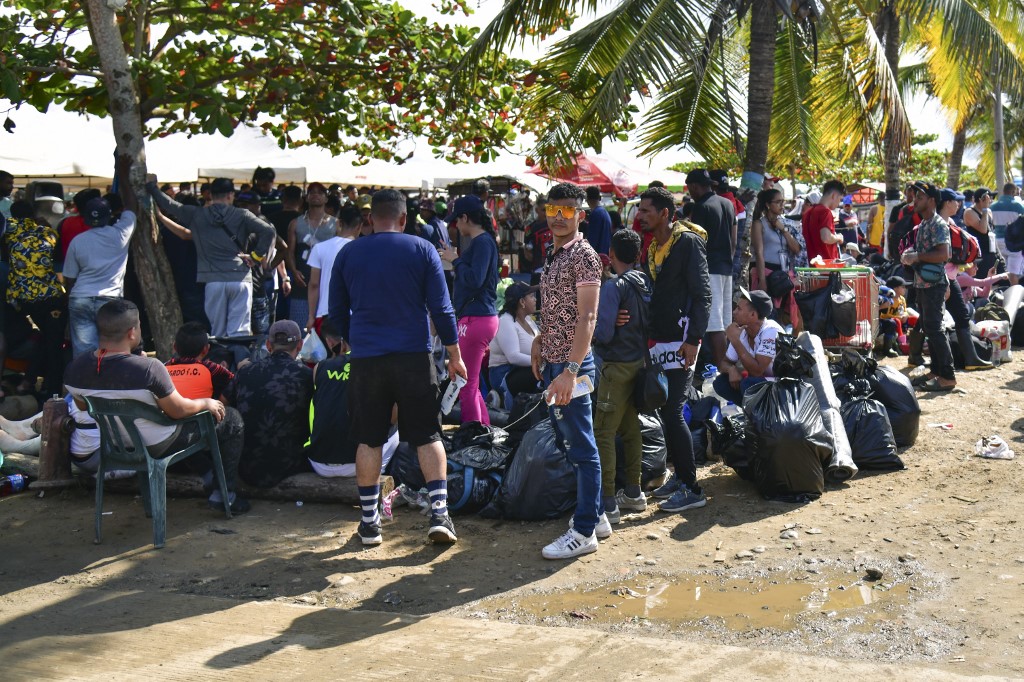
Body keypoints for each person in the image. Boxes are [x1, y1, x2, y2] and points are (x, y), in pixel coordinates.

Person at [330, 188, 467, 546]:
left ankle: (369, 522)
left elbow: (335, 315)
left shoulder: (349, 252)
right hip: (413, 356)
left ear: (371, 220)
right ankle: (440, 514)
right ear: (404, 219)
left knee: (369, 438)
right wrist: (454, 354)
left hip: (367, 359)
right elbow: (442, 308)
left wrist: (356, 339)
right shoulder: (421, 249)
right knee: (427, 434)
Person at [63, 300, 249, 513]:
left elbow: (83, 406)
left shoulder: (75, 369)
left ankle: (209, 476)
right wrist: (205, 403)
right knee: (231, 420)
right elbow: (178, 410)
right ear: (132, 332)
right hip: (159, 443)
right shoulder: (149, 368)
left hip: (114, 445)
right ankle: (225, 495)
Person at [528, 182, 605, 560]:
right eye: (553, 210)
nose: (558, 218)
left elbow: (588, 317)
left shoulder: (584, 256)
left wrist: (571, 370)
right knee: (569, 441)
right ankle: (598, 515)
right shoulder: (555, 252)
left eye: (567, 211)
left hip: (572, 365)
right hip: (556, 361)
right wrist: (541, 338)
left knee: (581, 447)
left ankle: (585, 530)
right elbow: (561, 309)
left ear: (580, 214)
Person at [636, 186, 712, 514]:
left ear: (665, 213)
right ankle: (680, 477)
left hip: (682, 340)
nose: (640, 216)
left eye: (646, 211)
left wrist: (694, 340)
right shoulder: (654, 247)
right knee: (665, 407)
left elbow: (703, 295)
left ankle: (692, 487)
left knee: (673, 409)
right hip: (661, 339)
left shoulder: (688, 244)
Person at [147, 175, 276, 338]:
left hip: (213, 280)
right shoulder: (242, 214)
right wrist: (255, 256)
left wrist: (152, 187)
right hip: (240, 278)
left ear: (210, 194)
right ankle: (239, 362)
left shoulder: (197, 214)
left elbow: (170, 205)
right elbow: (268, 231)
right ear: (230, 195)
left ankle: (219, 362)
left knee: (218, 332)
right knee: (240, 332)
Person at [592, 229, 652, 524]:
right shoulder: (643, 281)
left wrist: (591, 328)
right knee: (630, 430)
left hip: (616, 367)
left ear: (611, 255)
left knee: (603, 432)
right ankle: (633, 491)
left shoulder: (614, 286)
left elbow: (603, 333)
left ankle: (607, 503)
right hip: (639, 363)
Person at [222, 320, 313, 488]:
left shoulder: (245, 371)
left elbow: (221, 405)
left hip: (247, 465)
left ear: (268, 345)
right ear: (299, 345)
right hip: (290, 463)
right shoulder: (306, 375)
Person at [63, 159, 137, 359]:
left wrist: (70, 307)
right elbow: (131, 205)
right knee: (112, 350)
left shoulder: (77, 242)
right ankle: (107, 387)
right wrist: (124, 174)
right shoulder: (121, 234)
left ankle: (85, 387)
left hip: (80, 299)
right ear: (111, 215)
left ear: (86, 218)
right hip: (109, 300)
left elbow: (69, 279)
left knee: (83, 353)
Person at [439, 195, 499, 425]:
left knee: (465, 383)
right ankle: (482, 431)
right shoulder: (483, 242)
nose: (456, 226)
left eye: (457, 220)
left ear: (465, 218)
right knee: (470, 383)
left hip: (477, 318)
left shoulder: (482, 242)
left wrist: (455, 260)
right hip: (478, 317)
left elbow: (474, 279)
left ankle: (472, 437)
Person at [4, 199, 66, 396]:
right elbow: (57, 263)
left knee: (45, 337)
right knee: (53, 342)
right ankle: (51, 390)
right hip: (50, 297)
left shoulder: (8, 232)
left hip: (21, 298)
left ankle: (28, 381)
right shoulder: (48, 232)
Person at [901, 183, 956, 391]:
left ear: (932, 200)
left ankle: (948, 377)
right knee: (929, 327)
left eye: (920, 197)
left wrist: (917, 256)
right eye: (915, 196)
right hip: (924, 284)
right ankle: (936, 370)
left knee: (934, 328)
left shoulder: (938, 224)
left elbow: (944, 254)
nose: (915, 200)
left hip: (934, 285)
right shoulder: (924, 224)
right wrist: (909, 255)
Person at [686, 169, 735, 366]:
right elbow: (733, 239)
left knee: (715, 325)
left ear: (695, 187)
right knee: (725, 323)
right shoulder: (728, 203)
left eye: (690, 189)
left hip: (709, 269)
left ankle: (723, 369)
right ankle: (728, 365)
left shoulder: (701, 207)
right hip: (726, 267)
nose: (690, 193)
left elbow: (696, 244)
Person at [713, 288, 783, 405]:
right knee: (721, 383)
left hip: (782, 388)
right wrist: (731, 369)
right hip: (761, 384)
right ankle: (752, 414)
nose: (734, 312)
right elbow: (723, 363)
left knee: (749, 385)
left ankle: (762, 416)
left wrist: (735, 340)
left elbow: (757, 371)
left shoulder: (771, 330)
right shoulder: (743, 330)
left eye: (739, 309)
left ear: (753, 315)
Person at [286, 183, 337, 326]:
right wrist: (294, 271)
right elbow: (289, 251)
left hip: (326, 281)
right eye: (312, 192)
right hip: (302, 279)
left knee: (326, 327)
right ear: (306, 198)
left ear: (326, 199)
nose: (316, 195)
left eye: (320, 192)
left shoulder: (335, 224)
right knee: (300, 325)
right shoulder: (296, 223)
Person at [306, 203, 360, 333]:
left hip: (324, 313)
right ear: (359, 226)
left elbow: (314, 284)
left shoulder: (319, 248)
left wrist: (311, 317)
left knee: (325, 353)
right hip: (354, 314)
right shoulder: (363, 250)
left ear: (338, 223)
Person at [487, 282, 540, 410]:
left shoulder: (528, 320)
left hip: (524, 370)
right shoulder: (505, 321)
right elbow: (513, 357)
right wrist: (540, 362)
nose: (535, 299)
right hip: (505, 374)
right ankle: (501, 399)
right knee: (544, 372)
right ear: (522, 301)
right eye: (532, 296)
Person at [164, 321, 236, 401]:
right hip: (203, 412)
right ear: (206, 349)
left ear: (174, 347)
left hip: (165, 412)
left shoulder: (164, 368)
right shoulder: (211, 368)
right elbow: (235, 381)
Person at [803, 179, 845, 262]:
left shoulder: (808, 212)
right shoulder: (825, 212)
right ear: (834, 195)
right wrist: (839, 237)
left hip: (812, 265)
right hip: (826, 266)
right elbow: (826, 238)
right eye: (840, 199)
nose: (839, 203)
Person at [991, 183, 1024, 284]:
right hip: (1013, 243)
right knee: (1013, 273)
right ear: (1013, 192)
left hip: (997, 242)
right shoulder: (1018, 206)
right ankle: (1015, 297)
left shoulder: (993, 206)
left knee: (1004, 272)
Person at [964, 187, 998, 279]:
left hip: (992, 250)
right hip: (981, 254)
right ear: (981, 200)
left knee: (1002, 279)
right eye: (988, 198)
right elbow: (983, 230)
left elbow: (991, 231)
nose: (990, 201)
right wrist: (985, 209)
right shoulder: (969, 212)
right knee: (983, 281)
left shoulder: (988, 211)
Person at [584, 186, 612, 256]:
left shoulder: (595, 214)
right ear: (599, 198)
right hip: (605, 254)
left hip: (596, 256)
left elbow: (592, 240)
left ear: (587, 199)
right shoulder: (605, 212)